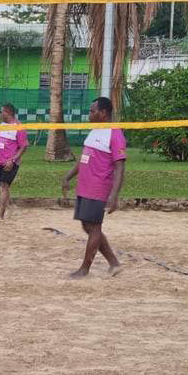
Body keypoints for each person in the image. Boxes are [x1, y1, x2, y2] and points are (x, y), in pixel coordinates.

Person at [60, 97, 125, 278]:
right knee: (87, 226)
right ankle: (114, 263)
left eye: (92, 111)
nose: (89, 114)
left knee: (94, 227)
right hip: (85, 186)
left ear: (103, 113)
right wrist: (68, 177)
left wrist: (114, 195)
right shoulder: (96, 130)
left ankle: (84, 269)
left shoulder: (115, 133)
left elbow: (120, 167)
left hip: (98, 186)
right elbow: (84, 158)